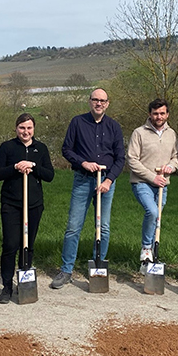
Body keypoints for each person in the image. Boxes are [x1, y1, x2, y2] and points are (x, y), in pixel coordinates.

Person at [50, 88, 125, 289]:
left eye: (102, 100)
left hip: (106, 183)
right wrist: (83, 162)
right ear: (89, 101)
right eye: (95, 100)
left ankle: (97, 268)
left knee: (104, 228)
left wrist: (109, 180)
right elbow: (66, 149)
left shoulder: (114, 127)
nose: (98, 103)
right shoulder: (77, 122)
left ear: (108, 103)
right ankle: (66, 270)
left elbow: (120, 159)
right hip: (83, 180)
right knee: (73, 227)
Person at [0, 113, 55, 303]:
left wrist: (33, 165)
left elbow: (49, 175)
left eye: (29, 128)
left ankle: (24, 282)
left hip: (34, 204)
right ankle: (7, 286)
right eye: (22, 128)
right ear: (16, 128)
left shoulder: (40, 148)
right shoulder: (7, 147)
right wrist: (15, 167)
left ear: (33, 129)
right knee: (10, 245)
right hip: (11, 203)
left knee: (28, 245)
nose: (25, 132)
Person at [127, 98, 178, 268]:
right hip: (142, 182)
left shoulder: (171, 133)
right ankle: (146, 248)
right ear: (150, 114)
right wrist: (151, 177)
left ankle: (148, 262)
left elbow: (176, 156)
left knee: (157, 218)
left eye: (162, 113)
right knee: (152, 212)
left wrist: (171, 167)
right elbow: (132, 160)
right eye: (155, 113)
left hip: (163, 184)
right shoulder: (139, 133)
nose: (159, 116)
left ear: (167, 114)